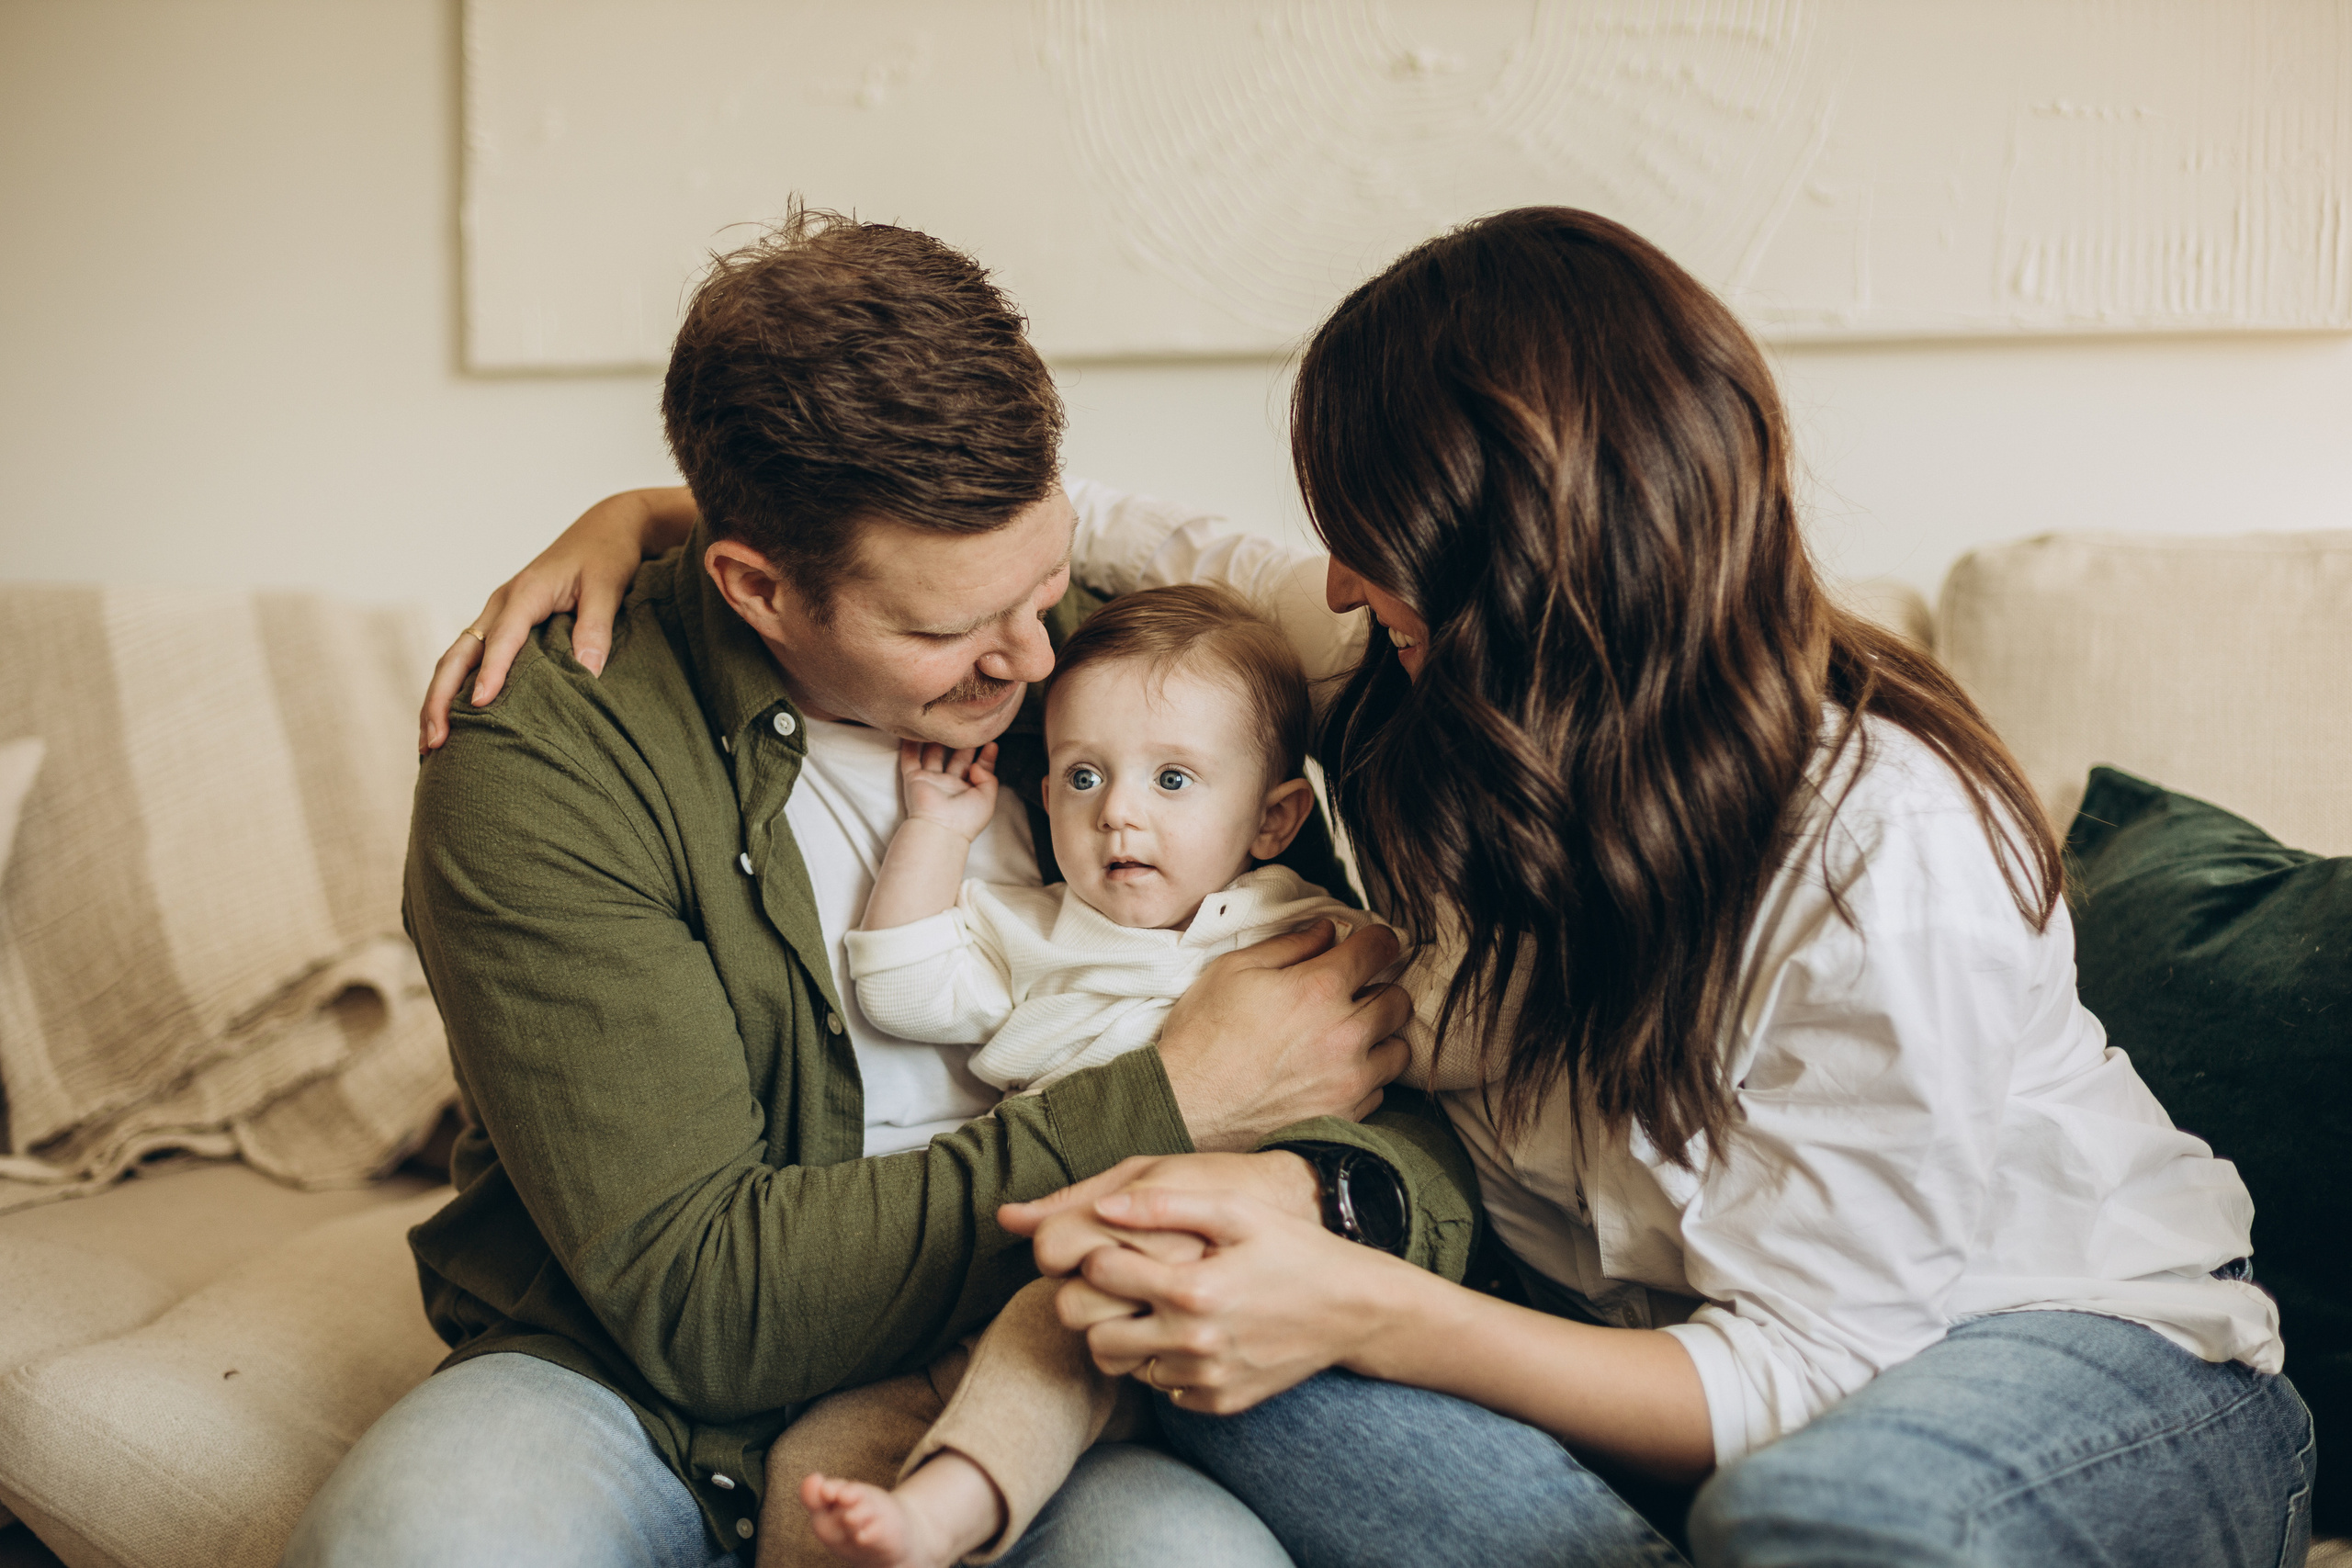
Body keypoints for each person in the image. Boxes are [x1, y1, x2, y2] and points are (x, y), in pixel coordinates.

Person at [422, 207, 2315, 1566]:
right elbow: (1115, 549)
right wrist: (669, 525)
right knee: (1146, 1316)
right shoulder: (1395, 688)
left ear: (1542, 581)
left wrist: (1354, 1300)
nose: (1327, 580)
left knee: (1815, 1512)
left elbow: (1815, 1363)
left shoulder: (1873, 843)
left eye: (1373, 541)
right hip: (1629, 1378)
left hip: (2014, 1359)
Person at [283, 209, 1482, 1568]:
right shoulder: (548, 750)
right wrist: (1177, 1099)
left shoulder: (1135, 674)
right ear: (756, 586)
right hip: (635, 1392)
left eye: (1041, 578)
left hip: (1042, 1373)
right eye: (945, 629)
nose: (1030, 660)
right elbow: (701, 1298)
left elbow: (1410, 1099)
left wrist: (1312, 1190)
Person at [773, 583, 1475, 1568]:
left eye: (1174, 781)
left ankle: (950, 1506)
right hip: (993, 1274)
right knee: (817, 1455)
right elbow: (904, 989)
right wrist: (936, 830)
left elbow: (1443, 1035)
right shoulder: (1039, 930)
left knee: (1057, 1322)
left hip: (1172, 1283)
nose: (1120, 816)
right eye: (1084, 777)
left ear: (1273, 820)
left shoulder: (1307, 932)